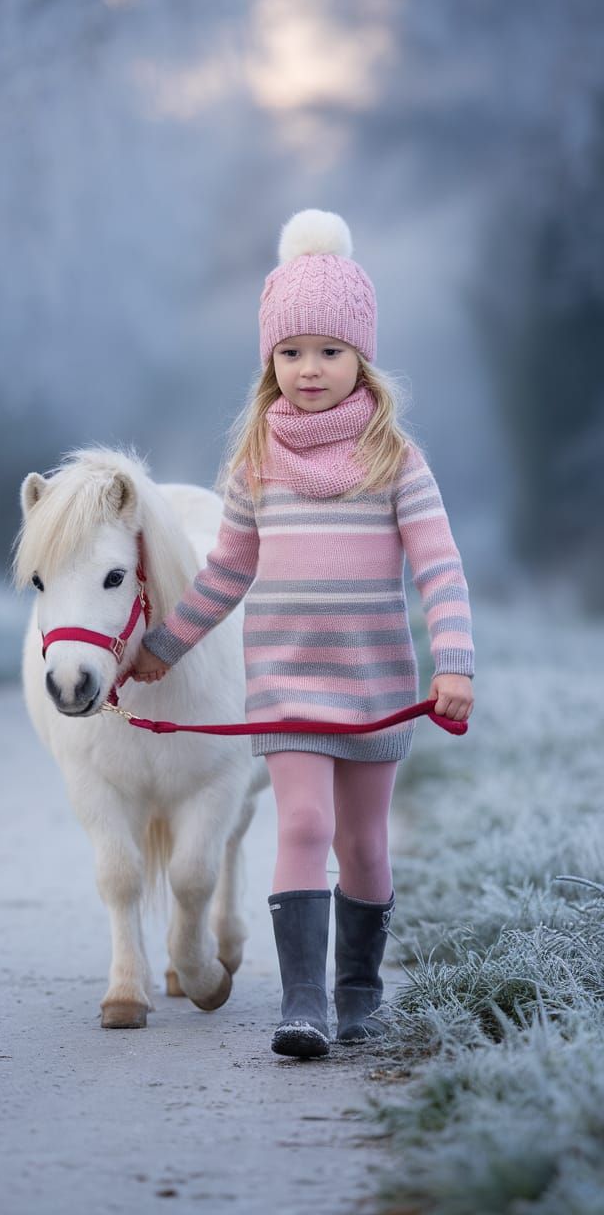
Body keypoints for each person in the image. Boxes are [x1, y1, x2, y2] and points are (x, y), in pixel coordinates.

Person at [130, 208, 474, 1059]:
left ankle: (360, 992)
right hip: (287, 680)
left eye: (328, 350)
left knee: (363, 842)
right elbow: (225, 574)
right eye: (290, 353)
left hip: (379, 684)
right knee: (304, 827)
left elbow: (440, 568)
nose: (309, 369)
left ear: (361, 356)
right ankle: (304, 1004)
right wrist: (159, 649)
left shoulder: (396, 458)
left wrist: (455, 663)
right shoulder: (255, 462)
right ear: (268, 362)